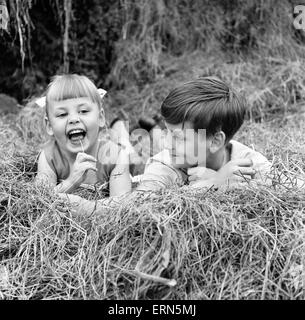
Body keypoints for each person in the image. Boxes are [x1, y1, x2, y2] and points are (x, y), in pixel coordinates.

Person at [137, 77, 272, 192]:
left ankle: (153, 128)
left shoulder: (248, 163)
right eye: (168, 132)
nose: (167, 143)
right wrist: (213, 183)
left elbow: (288, 192)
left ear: (215, 141)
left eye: (178, 137)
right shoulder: (163, 165)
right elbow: (139, 210)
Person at [35, 74, 132, 199]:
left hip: (128, 165)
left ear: (101, 117)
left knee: (130, 152)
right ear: (49, 126)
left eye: (84, 111)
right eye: (62, 114)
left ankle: (120, 128)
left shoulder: (116, 156)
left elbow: (121, 204)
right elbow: (39, 201)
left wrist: (85, 208)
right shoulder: (50, 157)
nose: (74, 119)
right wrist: (71, 182)